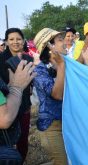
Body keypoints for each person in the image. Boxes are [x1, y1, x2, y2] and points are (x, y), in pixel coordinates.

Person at [33, 28, 67, 165]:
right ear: (49, 46)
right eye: (60, 40)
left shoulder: (64, 63)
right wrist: (61, 66)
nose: (64, 42)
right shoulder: (40, 71)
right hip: (51, 127)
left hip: (67, 124)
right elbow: (57, 95)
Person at [0, 28, 33, 162]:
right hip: (6, 107)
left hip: (24, 106)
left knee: (23, 141)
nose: (15, 42)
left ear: (23, 41)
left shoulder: (29, 58)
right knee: (8, 144)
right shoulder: (1, 59)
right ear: (6, 42)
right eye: (11, 39)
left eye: (18, 39)